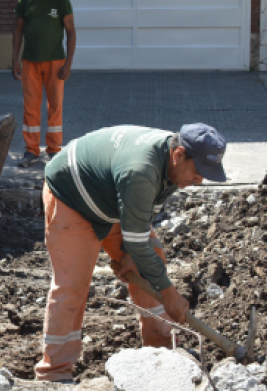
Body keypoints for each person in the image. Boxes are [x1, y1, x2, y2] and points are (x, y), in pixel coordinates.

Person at [35, 124, 227, 382]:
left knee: (151, 259)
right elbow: (138, 240)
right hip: (72, 196)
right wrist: (169, 292)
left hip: (112, 197)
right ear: (179, 154)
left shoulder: (172, 168)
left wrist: (128, 252)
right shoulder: (142, 170)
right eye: (198, 171)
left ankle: (162, 351)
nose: (200, 180)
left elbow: (142, 222)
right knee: (73, 285)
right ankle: (54, 373)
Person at [12, 0, 76, 168]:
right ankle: (31, 150)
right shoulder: (25, 0)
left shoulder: (61, 0)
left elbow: (71, 31)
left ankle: (54, 150)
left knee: (55, 106)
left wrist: (68, 64)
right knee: (30, 106)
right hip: (30, 61)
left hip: (55, 61)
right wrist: (15, 59)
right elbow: (18, 30)